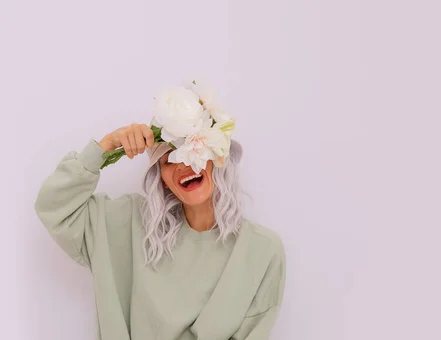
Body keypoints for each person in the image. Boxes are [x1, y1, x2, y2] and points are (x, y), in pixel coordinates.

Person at [34, 123, 286, 340]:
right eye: (168, 158)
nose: (183, 164)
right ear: (161, 179)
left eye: (192, 150)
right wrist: (105, 148)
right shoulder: (125, 223)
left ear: (218, 157)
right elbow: (54, 208)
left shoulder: (261, 251)